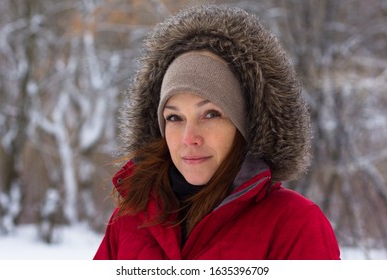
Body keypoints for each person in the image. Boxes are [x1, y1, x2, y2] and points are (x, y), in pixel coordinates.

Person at [94, 4, 340, 260]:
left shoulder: (294, 224)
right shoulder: (129, 221)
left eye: (210, 114)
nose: (189, 138)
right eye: (174, 117)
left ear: (243, 123)